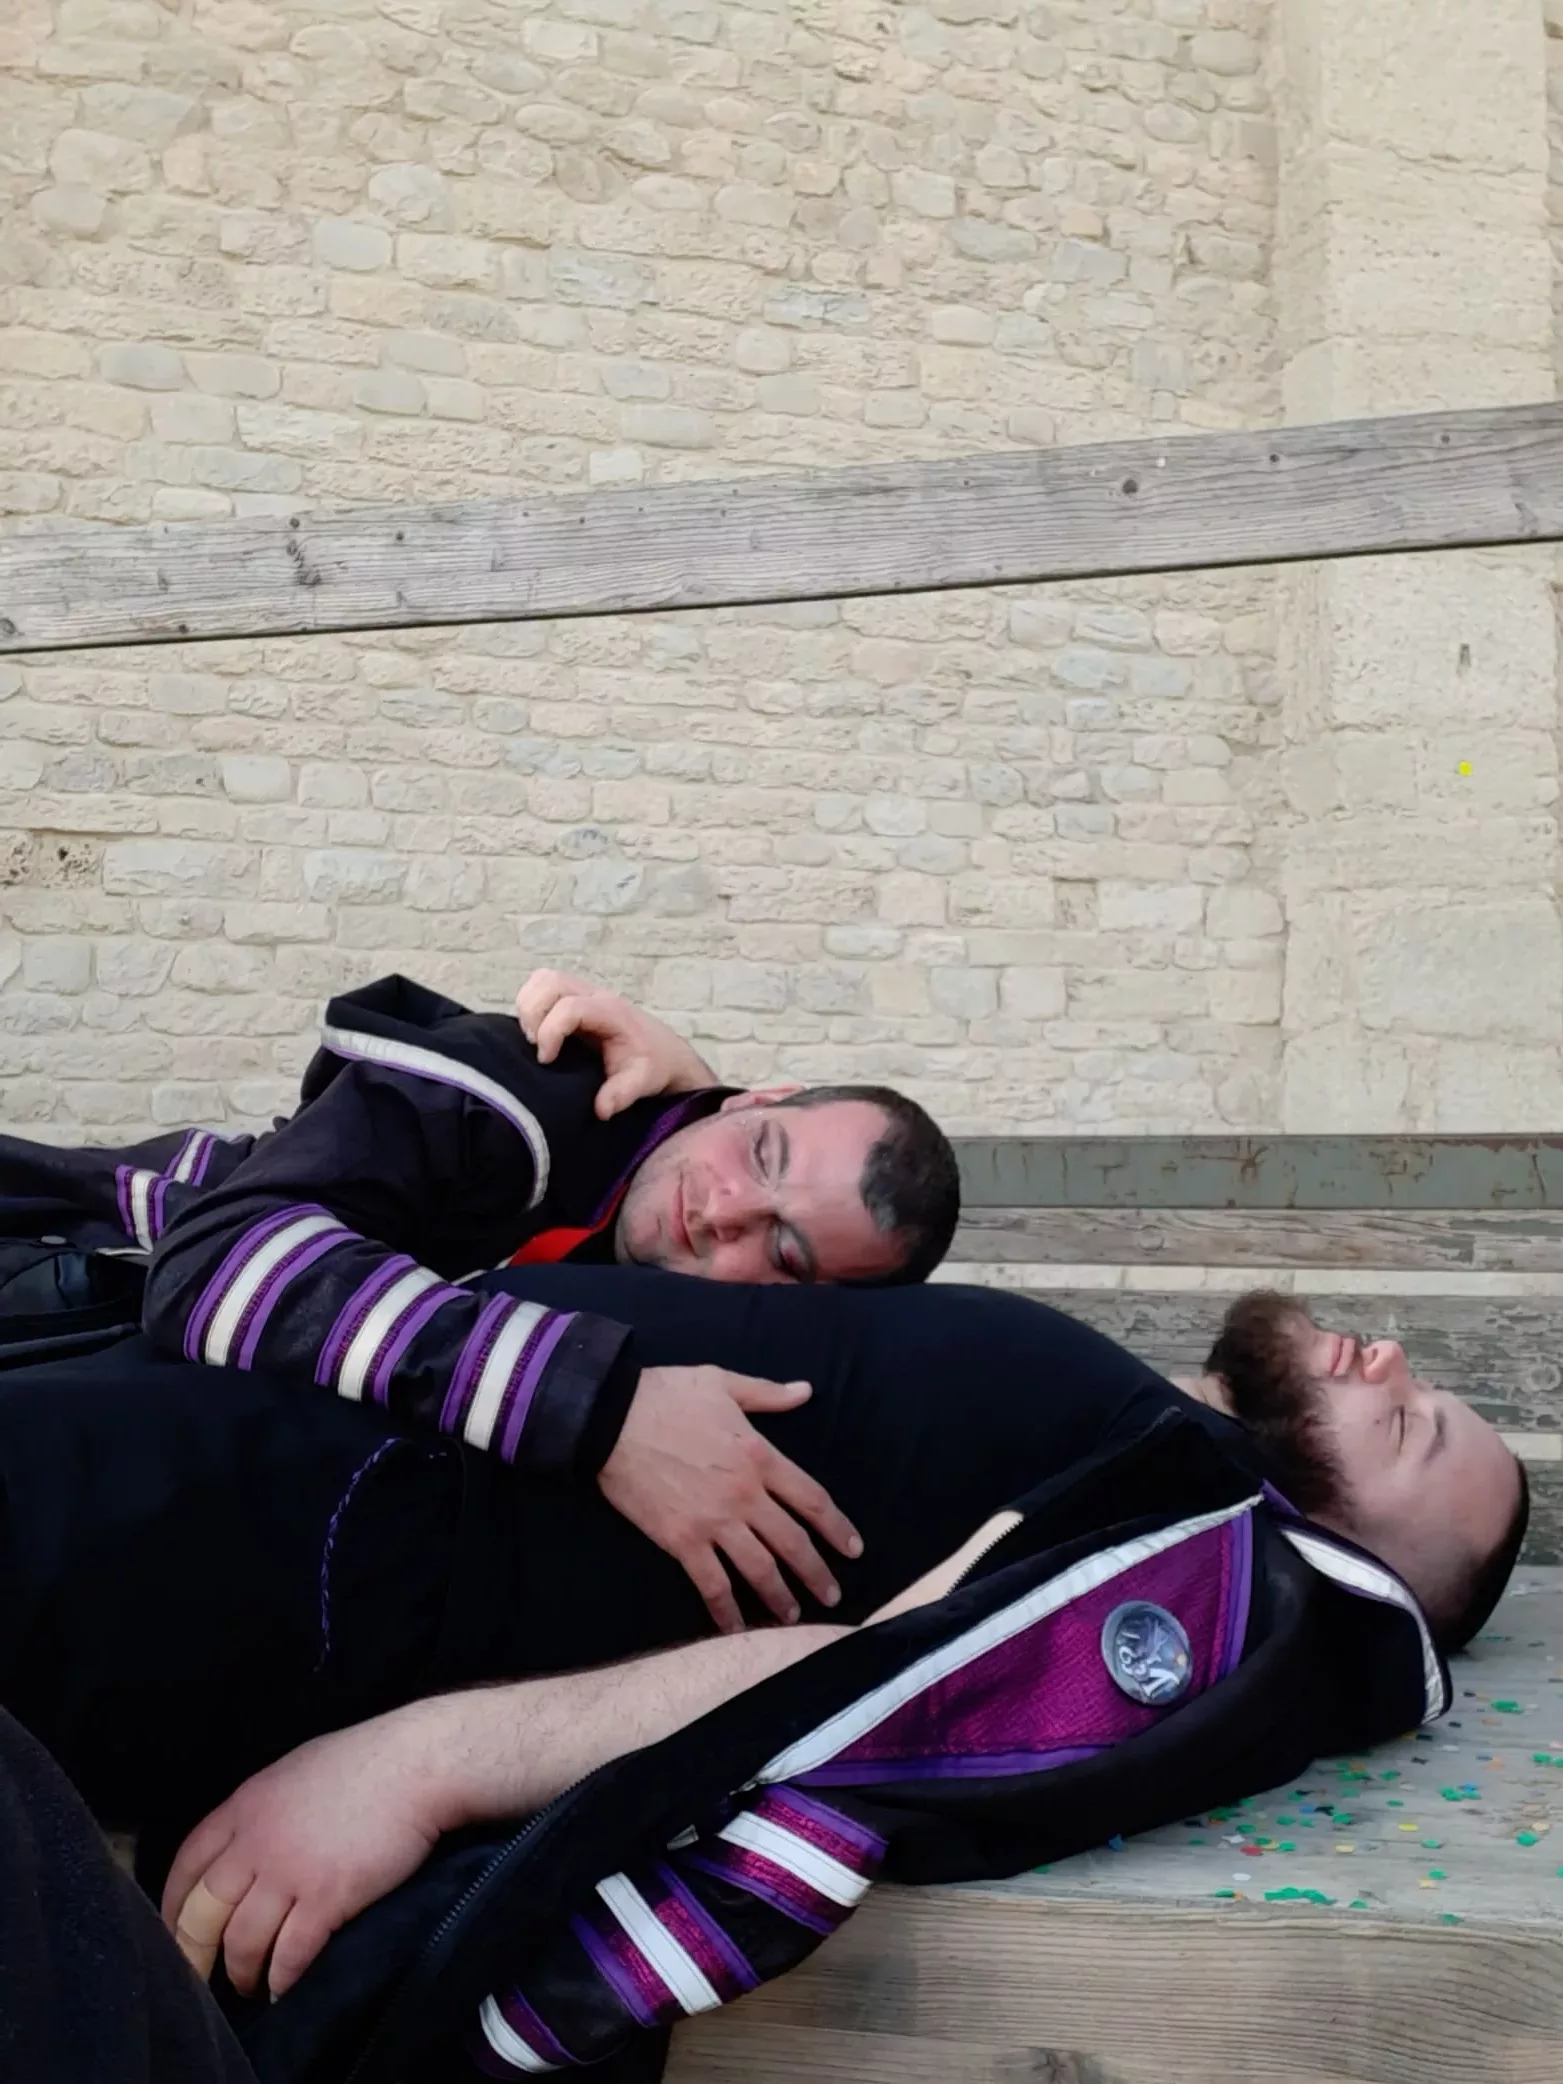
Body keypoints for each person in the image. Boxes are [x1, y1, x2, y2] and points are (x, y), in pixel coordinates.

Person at [0, 969, 960, 1633]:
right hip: (64, 1269)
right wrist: (597, 1409)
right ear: (756, 1099)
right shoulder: (513, 1094)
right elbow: (219, 1264)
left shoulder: (675, 1278)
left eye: (781, 1249)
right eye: (762, 1152)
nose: (723, 1210)